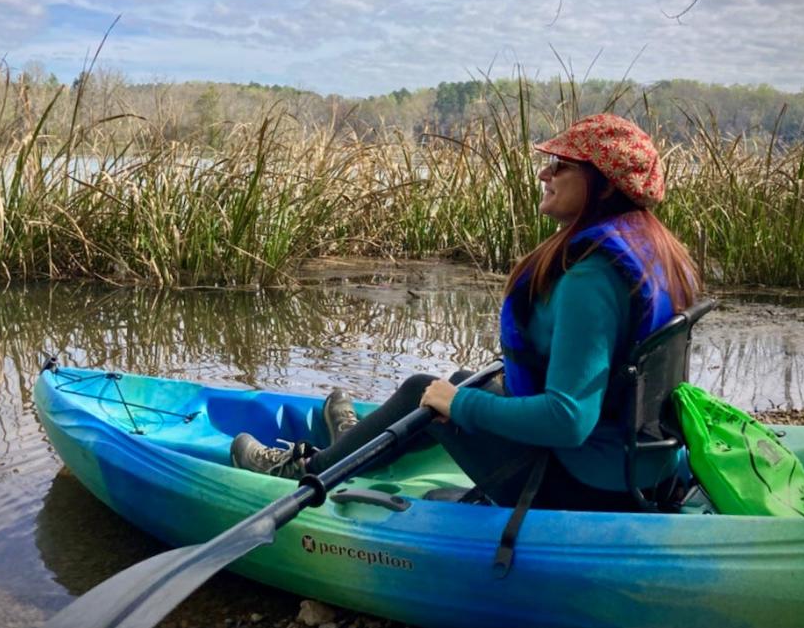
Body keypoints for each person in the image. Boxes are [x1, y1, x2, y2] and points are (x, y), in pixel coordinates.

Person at [231, 113, 700, 512]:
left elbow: (567, 419)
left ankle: (305, 470)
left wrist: (460, 406)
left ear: (602, 185)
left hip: (584, 489)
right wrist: (466, 396)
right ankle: (346, 447)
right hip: (643, 472)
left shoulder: (590, 278)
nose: (544, 174)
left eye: (561, 165)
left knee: (428, 392)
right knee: (460, 380)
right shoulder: (655, 254)